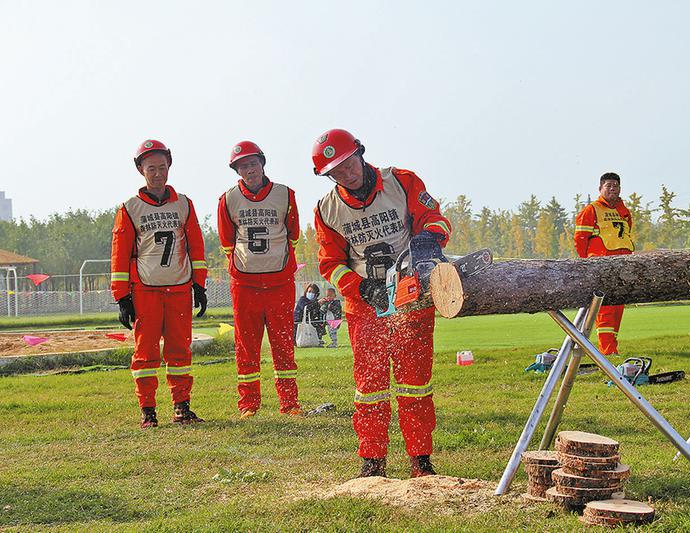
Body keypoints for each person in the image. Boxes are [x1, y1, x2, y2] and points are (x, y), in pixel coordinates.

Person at [312, 128, 452, 478]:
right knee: (369, 386)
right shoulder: (327, 210)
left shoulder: (401, 182)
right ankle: (372, 461)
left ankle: (420, 460)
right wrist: (361, 288)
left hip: (411, 295)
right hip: (365, 305)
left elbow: (434, 218)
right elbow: (330, 264)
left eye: (349, 163)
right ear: (329, 176)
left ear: (360, 152)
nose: (347, 173)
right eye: (337, 171)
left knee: (416, 382)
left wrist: (428, 239)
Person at [111, 139, 208, 429]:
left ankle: (182, 407)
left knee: (180, 351)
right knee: (146, 353)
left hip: (178, 288)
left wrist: (199, 285)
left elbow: (196, 248)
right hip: (146, 290)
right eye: (151, 168)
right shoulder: (130, 208)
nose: (157, 173)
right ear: (141, 169)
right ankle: (148, 411)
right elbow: (119, 253)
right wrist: (122, 298)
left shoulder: (184, 204)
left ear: (169, 167)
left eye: (162, 167)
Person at [217, 141, 303, 418]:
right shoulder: (227, 199)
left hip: (279, 282)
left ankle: (289, 403)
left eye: (253, 163)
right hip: (245, 284)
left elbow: (293, 234)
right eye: (242, 166)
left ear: (263, 163)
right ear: (236, 170)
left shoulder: (285, 195)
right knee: (246, 345)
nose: (249, 169)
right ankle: (248, 405)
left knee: (283, 343)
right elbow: (227, 241)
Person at [574, 172, 634, 355]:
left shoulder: (623, 211)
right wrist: (588, 264)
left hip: (623, 265)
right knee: (605, 309)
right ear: (600, 188)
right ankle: (607, 351)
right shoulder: (591, 210)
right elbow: (580, 239)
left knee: (618, 307)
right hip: (602, 265)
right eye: (608, 185)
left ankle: (612, 348)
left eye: (616, 185)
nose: (612, 188)